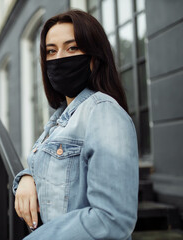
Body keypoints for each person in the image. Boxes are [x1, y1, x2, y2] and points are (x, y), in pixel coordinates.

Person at [12, 10, 139, 240]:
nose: (59, 57)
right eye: (51, 51)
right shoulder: (61, 118)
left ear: (94, 57)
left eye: (72, 48)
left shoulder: (103, 112)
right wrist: (26, 177)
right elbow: (61, 171)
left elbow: (112, 219)